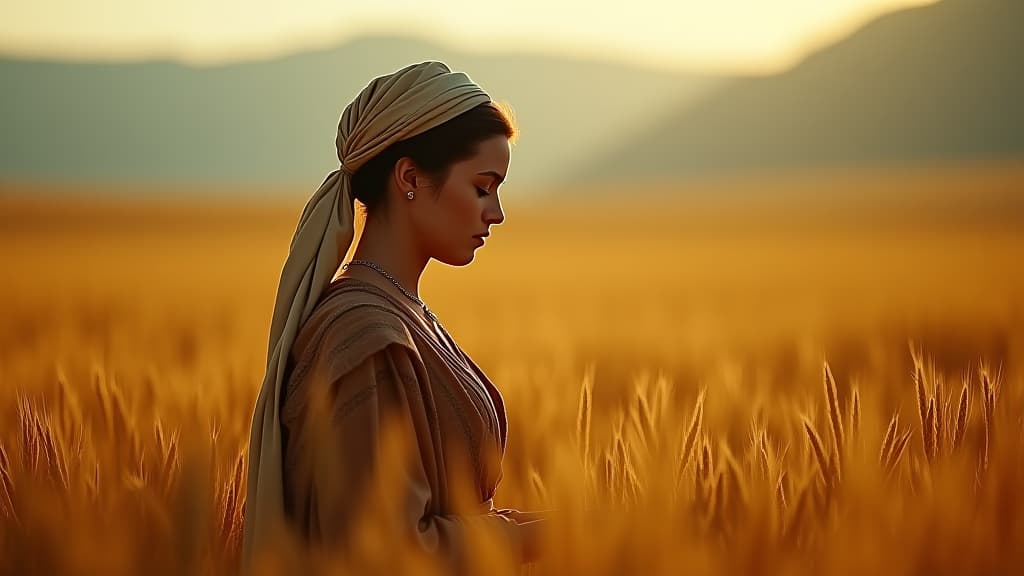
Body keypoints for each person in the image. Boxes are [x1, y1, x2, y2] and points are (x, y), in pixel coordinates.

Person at [242, 61, 550, 574]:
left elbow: (451, 514)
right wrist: (527, 541)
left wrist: (556, 526)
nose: (496, 212)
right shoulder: (364, 332)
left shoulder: (399, 312)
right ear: (409, 178)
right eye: (482, 186)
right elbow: (385, 548)